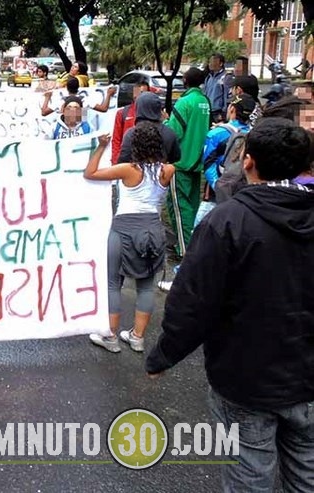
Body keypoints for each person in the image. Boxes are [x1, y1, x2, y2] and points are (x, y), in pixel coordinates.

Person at [145, 118, 314, 492]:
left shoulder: (227, 221)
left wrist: (164, 355)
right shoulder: (233, 220)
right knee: (307, 473)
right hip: (305, 377)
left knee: (249, 476)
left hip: (246, 379)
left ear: (248, 161)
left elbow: (193, 301)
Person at [85, 125, 175, 352]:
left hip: (124, 229)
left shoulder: (127, 169)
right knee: (145, 287)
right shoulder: (168, 170)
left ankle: (110, 337)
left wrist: (101, 147)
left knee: (113, 284)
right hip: (153, 230)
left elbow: (90, 173)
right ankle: (137, 337)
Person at [165, 67, 211, 257]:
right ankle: (192, 245)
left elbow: (173, 133)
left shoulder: (184, 102)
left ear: (185, 80)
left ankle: (185, 251)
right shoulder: (205, 101)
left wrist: (165, 122)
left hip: (180, 163)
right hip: (197, 163)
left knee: (178, 207)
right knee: (192, 206)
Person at [116, 92, 181, 165]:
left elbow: (123, 160)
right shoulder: (169, 133)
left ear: (138, 108)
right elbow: (176, 157)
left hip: (135, 171)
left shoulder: (131, 134)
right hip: (162, 171)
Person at [112, 79, 150, 164]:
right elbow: (116, 139)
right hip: (127, 160)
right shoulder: (122, 113)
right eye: (137, 93)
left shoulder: (153, 113)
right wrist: (115, 161)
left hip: (147, 160)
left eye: (143, 93)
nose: (139, 97)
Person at [204, 53, 228, 123]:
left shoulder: (225, 78)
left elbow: (226, 97)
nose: (210, 64)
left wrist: (223, 113)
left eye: (213, 62)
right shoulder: (208, 77)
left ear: (220, 64)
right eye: (209, 62)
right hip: (207, 111)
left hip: (217, 113)